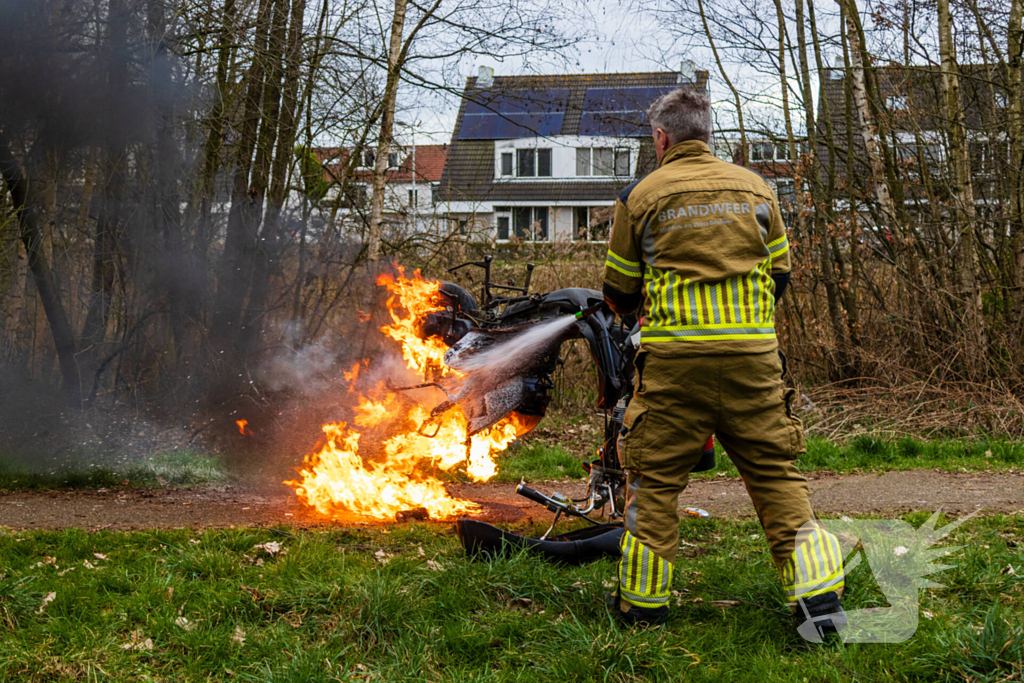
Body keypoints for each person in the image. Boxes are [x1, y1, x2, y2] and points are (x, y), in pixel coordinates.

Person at [602, 87, 845, 633]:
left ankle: (642, 609)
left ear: (661, 138)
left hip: (673, 368)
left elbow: (617, 291)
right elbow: (780, 275)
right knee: (776, 476)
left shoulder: (640, 196)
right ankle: (820, 610)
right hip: (753, 362)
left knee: (656, 483)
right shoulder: (757, 187)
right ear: (707, 134)